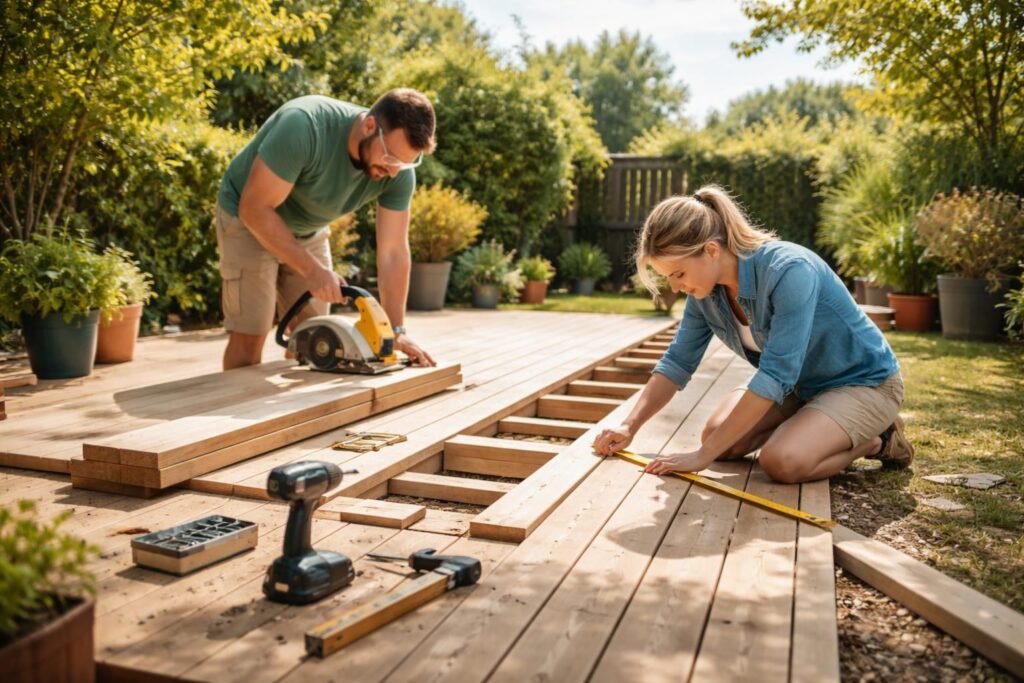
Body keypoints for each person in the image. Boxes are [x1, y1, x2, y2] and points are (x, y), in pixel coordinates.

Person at [593, 185, 913, 483]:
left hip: (864, 384)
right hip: (800, 386)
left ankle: (877, 441)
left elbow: (775, 374)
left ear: (711, 250)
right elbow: (677, 362)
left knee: (782, 461)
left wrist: (702, 457)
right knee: (720, 439)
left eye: (678, 274)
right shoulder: (705, 295)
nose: (675, 288)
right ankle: (814, 425)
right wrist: (629, 425)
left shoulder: (789, 270)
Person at [214, 88, 438, 370]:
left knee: (317, 338)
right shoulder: (305, 126)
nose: (394, 172)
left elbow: (393, 252)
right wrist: (312, 270)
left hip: (309, 229)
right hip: (248, 217)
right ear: (370, 126)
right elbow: (254, 209)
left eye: (406, 163)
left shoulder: (399, 171)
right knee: (251, 332)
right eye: (391, 158)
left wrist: (394, 332)